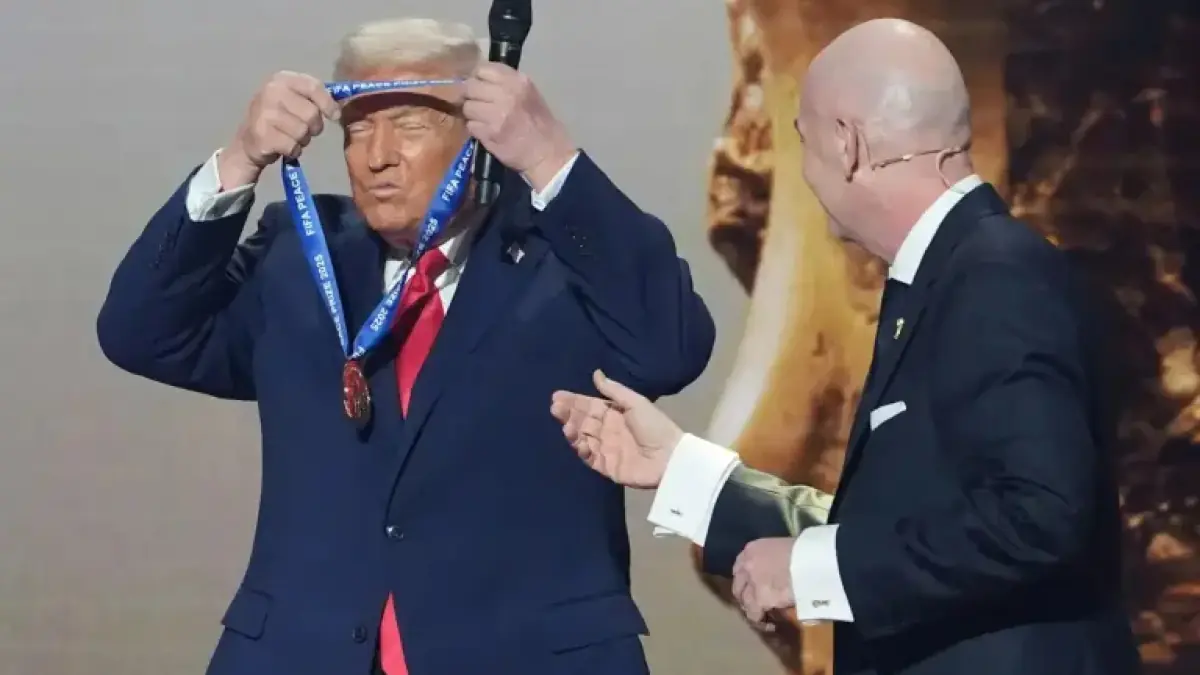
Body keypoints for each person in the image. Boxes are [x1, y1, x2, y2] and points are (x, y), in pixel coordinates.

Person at [97, 17, 714, 675]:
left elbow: (670, 348)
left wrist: (548, 159)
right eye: (358, 129)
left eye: (410, 125)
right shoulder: (299, 253)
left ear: (479, 132)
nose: (377, 156)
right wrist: (239, 160)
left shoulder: (564, 256)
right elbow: (141, 331)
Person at [550, 18, 1139, 675]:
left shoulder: (996, 278)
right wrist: (680, 469)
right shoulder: (947, 278)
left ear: (847, 144)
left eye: (801, 142)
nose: (801, 171)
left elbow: (1039, 517)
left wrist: (815, 568)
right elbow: (909, 526)